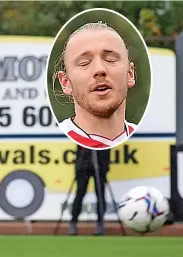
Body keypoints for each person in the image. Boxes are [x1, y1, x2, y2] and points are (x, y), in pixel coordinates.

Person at [54, 21, 137, 149]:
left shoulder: (151, 139)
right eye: (84, 63)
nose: (99, 70)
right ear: (65, 82)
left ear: (130, 74)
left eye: (111, 59)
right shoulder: (53, 143)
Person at [68, 144, 111, 235]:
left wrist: (105, 165)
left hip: (101, 163)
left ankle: (100, 224)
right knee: (80, 194)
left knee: (100, 194)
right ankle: (73, 223)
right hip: (83, 163)